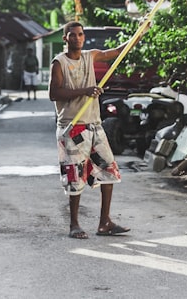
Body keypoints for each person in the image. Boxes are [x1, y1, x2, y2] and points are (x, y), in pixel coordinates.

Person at [49, 21, 143, 239]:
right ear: (65, 39)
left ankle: (105, 222)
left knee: (108, 171)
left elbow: (119, 51)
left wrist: (141, 31)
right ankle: (74, 225)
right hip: (72, 126)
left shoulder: (90, 56)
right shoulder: (59, 63)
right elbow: (55, 94)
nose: (77, 38)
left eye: (80, 35)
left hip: (94, 125)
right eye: (72, 35)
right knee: (75, 177)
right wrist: (86, 91)